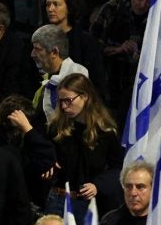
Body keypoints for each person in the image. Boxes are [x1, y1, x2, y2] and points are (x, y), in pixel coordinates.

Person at [45, 70, 123, 217]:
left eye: (68, 100)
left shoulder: (105, 132)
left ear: (85, 97)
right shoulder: (56, 129)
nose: (63, 106)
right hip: (59, 199)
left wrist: (98, 185)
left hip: (91, 204)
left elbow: (117, 167)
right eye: (61, 101)